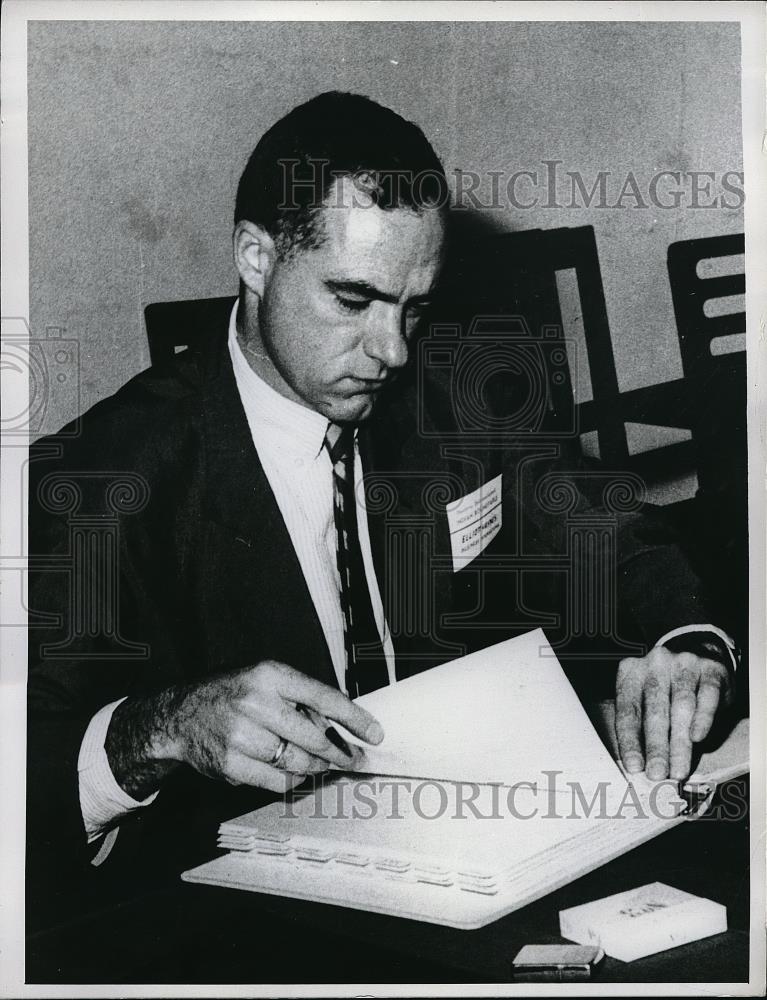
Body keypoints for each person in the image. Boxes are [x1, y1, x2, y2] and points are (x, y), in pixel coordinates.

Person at [27, 92, 738, 922]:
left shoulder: (457, 387)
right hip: (238, 914)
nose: (392, 350)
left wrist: (685, 641)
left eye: (414, 306)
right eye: (353, 300)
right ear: (255, 258)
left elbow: (604, 528)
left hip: (469, 858)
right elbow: (27, 773)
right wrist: (160, 727)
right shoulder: (101, 477)